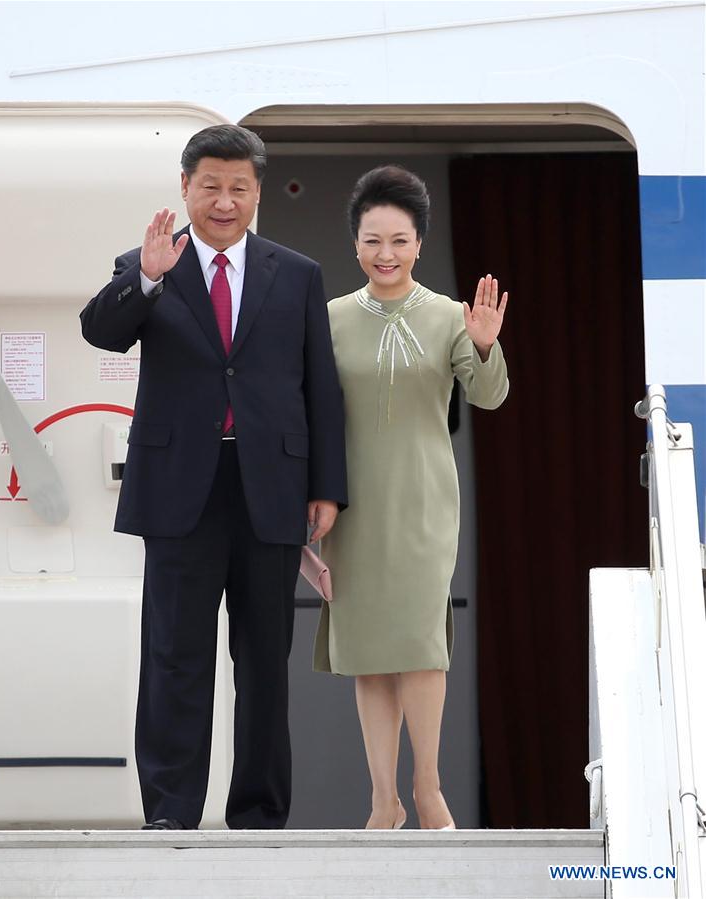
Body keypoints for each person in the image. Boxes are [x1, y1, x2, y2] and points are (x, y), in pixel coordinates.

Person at [80, 124, 347, 830]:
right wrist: (146, 275)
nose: (224, 201)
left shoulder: (295, 272)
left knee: (263, 661)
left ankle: (258, 811)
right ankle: (170, 811)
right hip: (179, 489)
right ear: (184, 187)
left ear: (257, 192)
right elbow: (101, 330)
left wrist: (326, 487)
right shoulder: (149, 263)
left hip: (271, 488)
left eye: (238, 188)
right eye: (210, 187)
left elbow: (318, 387)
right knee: (175, 656)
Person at [313, 165, 509, 830]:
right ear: (355, 243)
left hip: (424, 499)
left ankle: (427, 789)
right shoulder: (329, 317)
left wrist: (483, 345)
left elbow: (487, 395)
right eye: (372, 240)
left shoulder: (451, 315)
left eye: (399, 239)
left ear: (420, 241)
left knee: (421, 644)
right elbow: (307, 411)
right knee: (369, 650)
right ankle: (382, 798)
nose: (386, 254)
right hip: (352, 503)